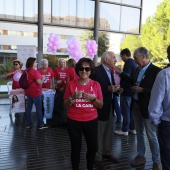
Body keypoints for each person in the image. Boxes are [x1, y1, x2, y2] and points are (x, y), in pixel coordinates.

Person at [115, 47, 161, 170]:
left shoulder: (156, 71)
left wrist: (142, 90)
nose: (134, 60)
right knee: (139, 133)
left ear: (143, 57)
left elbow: (160, 92)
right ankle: (141, 155)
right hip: (135, 105)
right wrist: (121, 74)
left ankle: (156, 161)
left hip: (147, 108)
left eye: (135, 57)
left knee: (151, 136)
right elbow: (132, 81)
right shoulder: (138, 69)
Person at [64, 57, 103, 170]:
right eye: (81, 68)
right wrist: (72, 97)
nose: (84, 71)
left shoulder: (96, 85)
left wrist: (93, 99)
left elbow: (100, 105)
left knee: (92, 147)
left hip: (91, 121)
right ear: (78, 70)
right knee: (76, 148)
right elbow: (65, 105)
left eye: (87, 69)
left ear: (91, 71)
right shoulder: (71, 84)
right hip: (74, 121)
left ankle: (89, 167)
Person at [93, 51, 122, 170]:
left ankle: (107, 152)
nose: (115, 60)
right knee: (99, 133)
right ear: (106, 60)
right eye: (114, 58)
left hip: (110, 106)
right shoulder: (96, 71)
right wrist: (108, 89)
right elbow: (93, 89)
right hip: (100, 107)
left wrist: (116, 90)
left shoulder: (111, 71)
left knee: (109, 130)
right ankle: (97, 158)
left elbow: (111, 87)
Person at [149, 45, 170, 170]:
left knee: (167, 160)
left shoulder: (164, 75)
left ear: (168, 57)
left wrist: (157, 122)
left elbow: (155, 104)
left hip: (167, 124)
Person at [114, 48, 137, 136]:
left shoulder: (128, 63)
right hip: (131, 91)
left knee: (125, 110)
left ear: (124, 55)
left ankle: (125, 129)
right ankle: (132, 128)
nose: (121, 58)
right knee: (130, 111)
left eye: (121, 56)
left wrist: (119, 72)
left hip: (126, 91)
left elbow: (126, 77)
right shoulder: (133, 63)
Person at [24, 57, 48, 130]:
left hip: (28, 92)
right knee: (39, 109)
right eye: (35, 62)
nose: (36, 63)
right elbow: (39, 82)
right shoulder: (34, 71)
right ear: (32, 63)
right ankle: (41, 124)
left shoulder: (26, 70)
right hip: (35, 93)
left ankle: (28, 123)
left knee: (28, 108)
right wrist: (43, 78)